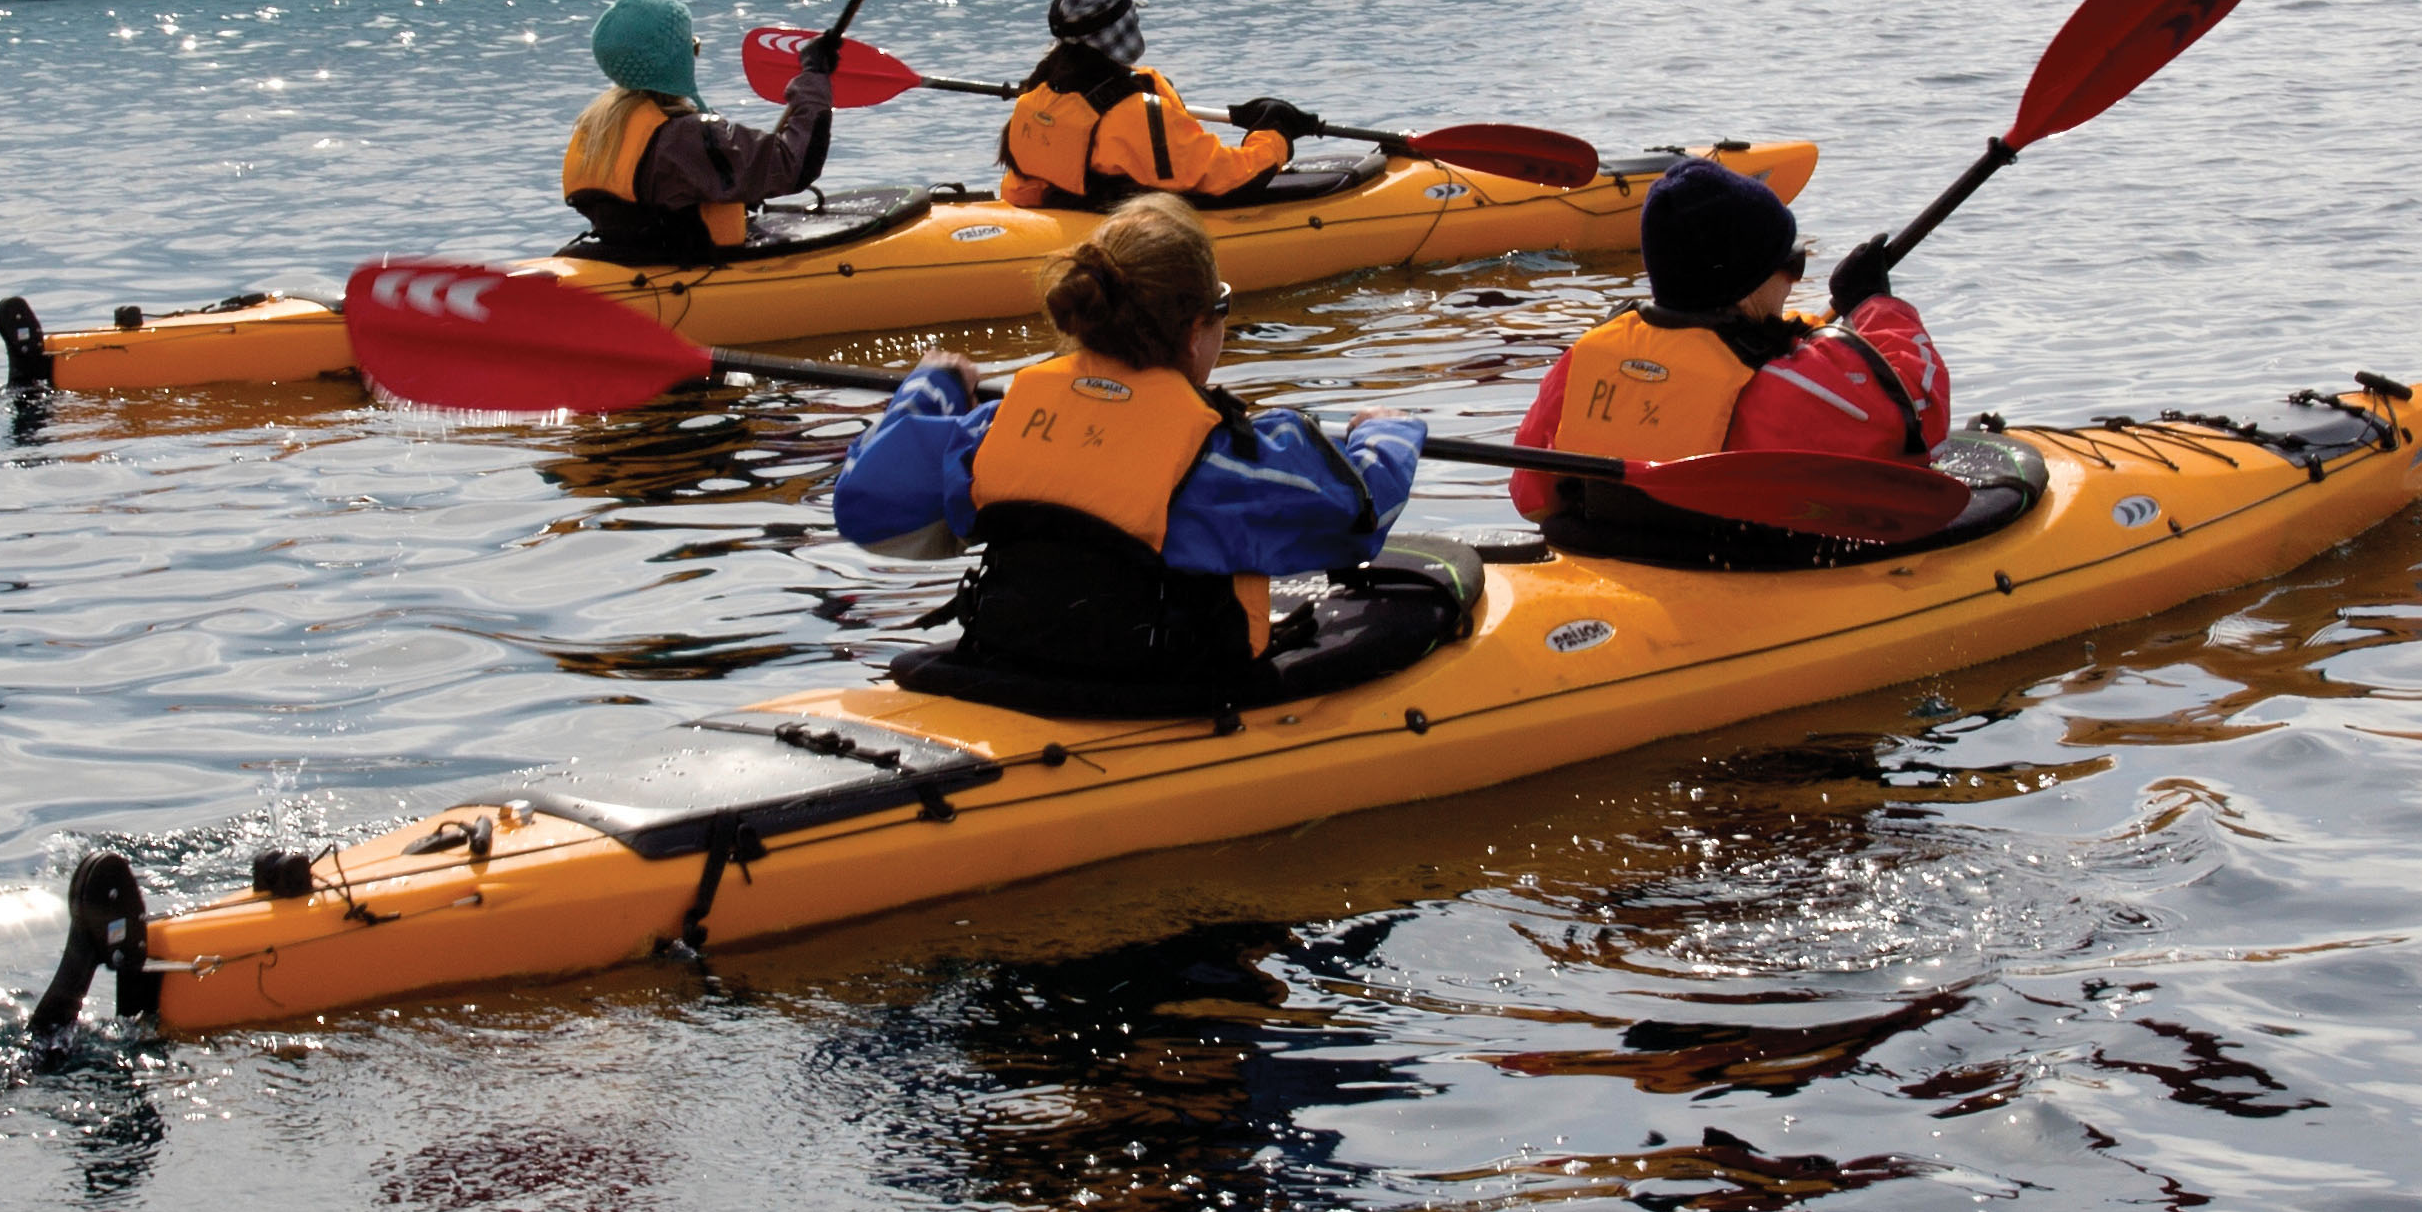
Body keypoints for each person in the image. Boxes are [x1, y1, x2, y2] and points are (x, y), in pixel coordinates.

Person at [836, 197, 1437, 712]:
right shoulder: (1226, 458)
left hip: (1016, 665)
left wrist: (931, 387)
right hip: (1166, 692)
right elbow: (1359, 518)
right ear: (1196, 328)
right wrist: (1386, 435)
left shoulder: (998, 426)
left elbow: (866, 504)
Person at [1509, 155, 1951, 562]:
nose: (1795, 282)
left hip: (1622, 561)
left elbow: (1531, 495)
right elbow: (1922, 413)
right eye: (1791, 264)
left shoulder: (1584, 361)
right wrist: (1873, 304)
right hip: (1735, 580)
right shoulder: (1787, 386)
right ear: (1749, 284)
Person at [993, 0, 1314, 210]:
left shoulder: (1037, 97)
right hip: (1132, 234)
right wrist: (1274, 133)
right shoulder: (1134, 113)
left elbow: (1021, 188)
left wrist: (1159, 90)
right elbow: (1226, 179)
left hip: (1064, 214)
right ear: (1123, 31)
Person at [559, 0, 836, 264]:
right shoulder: (685, 138)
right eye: (693, 47)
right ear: (675, 62)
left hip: (629, 260)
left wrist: (736, 186)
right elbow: (794, 165)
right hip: (692, 275)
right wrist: (814, 76)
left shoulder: (596, 126)